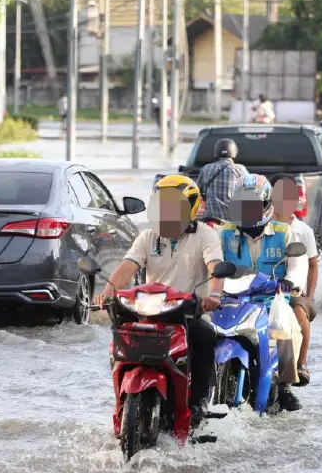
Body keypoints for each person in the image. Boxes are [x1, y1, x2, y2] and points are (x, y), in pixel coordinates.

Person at [94, 175, 225, 422]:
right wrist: (108, 291)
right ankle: (122, 400)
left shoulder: (205, 235)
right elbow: (127, 266)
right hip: (151, 312)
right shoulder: (148, 237)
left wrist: (214, 295)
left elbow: (215, 266)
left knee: (206, 335)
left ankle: (197, 403)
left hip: (187, 312)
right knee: (121, 340)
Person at [217, 178, 304, 410]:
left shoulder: (284, 232)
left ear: (266, 205)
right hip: (232, 301)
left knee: (288, 331)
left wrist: (290, 281)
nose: (246, 211)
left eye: (252, 206)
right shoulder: (223, 234)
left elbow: (298, 265)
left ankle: (284, 386)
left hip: (270, 302)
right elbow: (208, 263)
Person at [267, 176, 320, 386]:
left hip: (292, 290)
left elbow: (313, 265)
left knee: (299, 311)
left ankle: (301, 363)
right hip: (263, 287)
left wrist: (309, 296)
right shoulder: (260, 224)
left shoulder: (303, 231)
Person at [196, 138, 248, 222]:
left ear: (216, 152)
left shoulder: (206, 169)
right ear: (234, 152)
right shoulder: (239, 169)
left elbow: (197, 191)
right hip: (233, 220)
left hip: (210, 220)